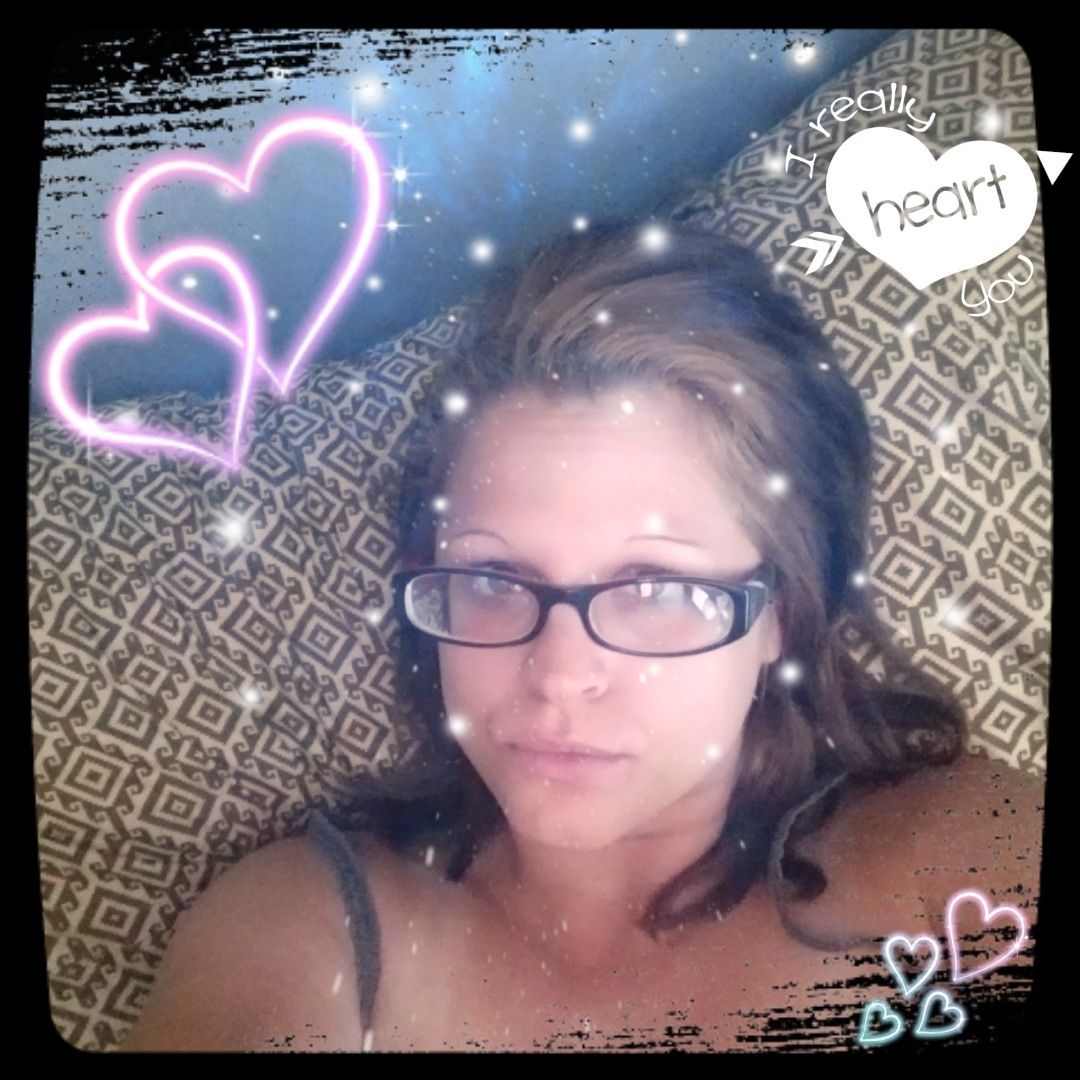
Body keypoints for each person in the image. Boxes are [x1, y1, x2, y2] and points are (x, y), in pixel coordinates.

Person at [124, 222, 1043, 1052]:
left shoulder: (956, 860)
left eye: (656, 587)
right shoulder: (310, 932)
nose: (561, 674)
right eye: (492, 580)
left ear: (780, 614)